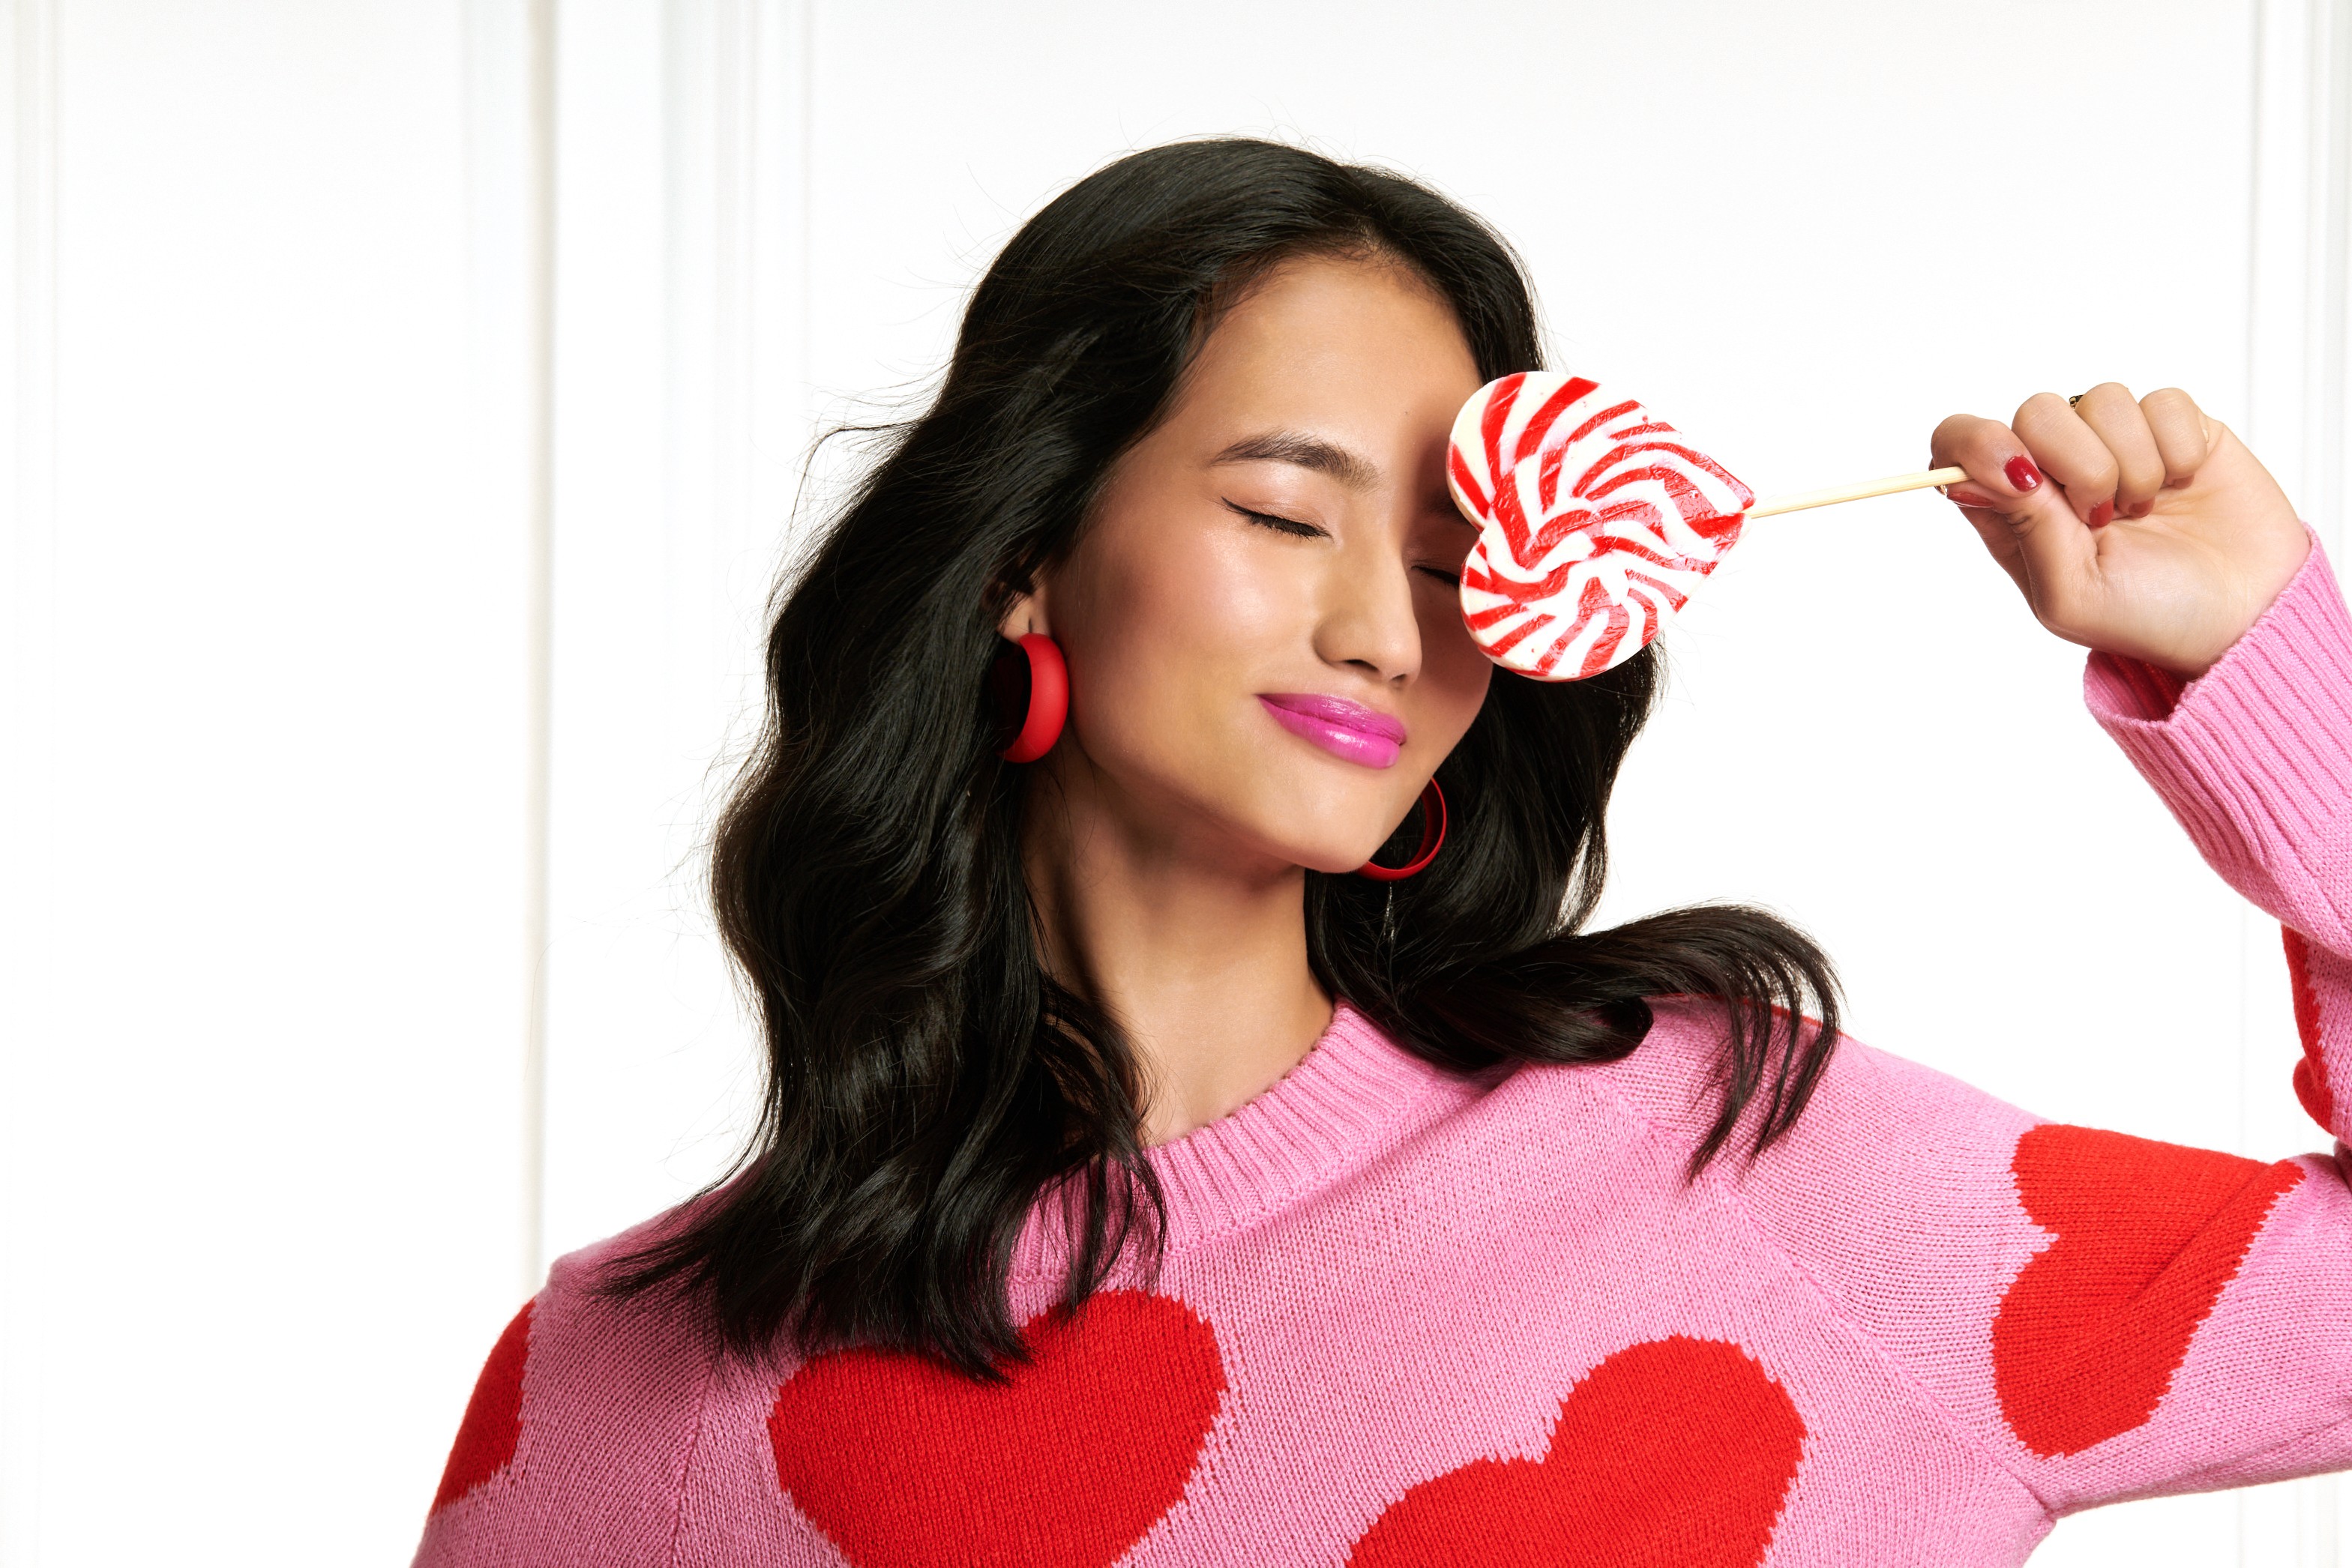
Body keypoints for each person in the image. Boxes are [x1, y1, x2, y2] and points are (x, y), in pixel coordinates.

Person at [410, 139, 2351, 1567]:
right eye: (1281, 510)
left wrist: (2272, 671)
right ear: (1023, 561)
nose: (1383, 627)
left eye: (1451, 560)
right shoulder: (629, 1384)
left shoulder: (1740, 1160)